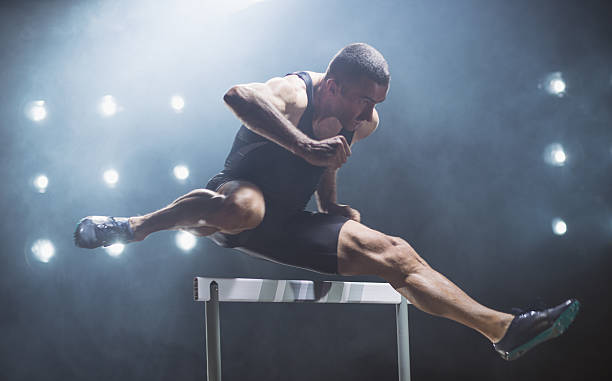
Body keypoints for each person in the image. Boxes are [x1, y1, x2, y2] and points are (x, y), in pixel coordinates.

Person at [74, 43, 579, 361]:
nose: (369, 113)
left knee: (395, 253)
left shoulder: (365, 119)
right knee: (244, 209)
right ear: (333, 85)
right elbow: (236, 96)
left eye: (376, 103)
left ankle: (503, 330)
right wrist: (302, 144)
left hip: (295, 219)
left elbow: (326, 161)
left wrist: (331, 205)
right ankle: (135, 225)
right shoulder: (295, 93)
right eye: (362, 99)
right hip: (240, 195)